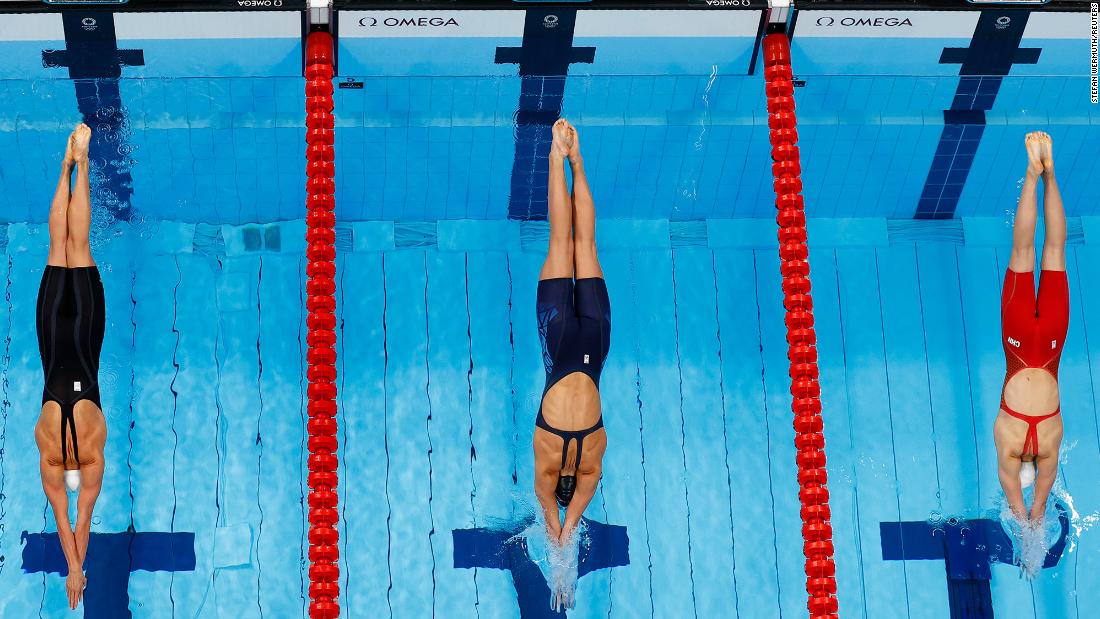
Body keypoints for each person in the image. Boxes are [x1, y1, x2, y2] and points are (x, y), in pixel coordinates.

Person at [34, 123, 107, 610]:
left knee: (78, 249)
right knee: (56, 249)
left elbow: (79, 523)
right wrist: (72, 568)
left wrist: (79, 569)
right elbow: (64, 523)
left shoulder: (95, 453)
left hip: (83, 340)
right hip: (50, 337)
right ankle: (66, 166)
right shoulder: (49, 455)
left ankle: (81, 163)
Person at [532, 118, 610, 571]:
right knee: (565, 240)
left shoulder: (592, 460)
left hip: (595, 343)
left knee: (583, 242)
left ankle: (575, 162)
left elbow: (569, 512)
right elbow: (553, 516)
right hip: (561, 341)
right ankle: (558, 160)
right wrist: (560, 543)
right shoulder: (547, 459)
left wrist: (563, 536)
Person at [995, 131, 1066, 528]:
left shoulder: (1050, 448)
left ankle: (1050, 174)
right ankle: (1033, 172)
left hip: (1052, 346)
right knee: (1022, 252)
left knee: (1054, 250)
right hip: (1019, 345)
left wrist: (1031, 533)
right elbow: (1020, 508)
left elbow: (1037, 507)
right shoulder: (1006, 445)